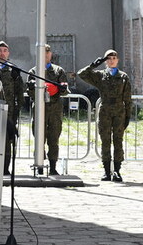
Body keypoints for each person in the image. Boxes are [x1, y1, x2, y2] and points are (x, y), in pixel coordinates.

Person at [79, 50, 133, 182]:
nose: (112, 60)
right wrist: (93, 65)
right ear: (105, 61)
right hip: (105, 111)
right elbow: (81, 74)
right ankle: (106, 171)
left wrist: (127, 116)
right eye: (108, 59)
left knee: (118, 141)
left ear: (117, 60)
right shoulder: (100, 76)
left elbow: (128, 98)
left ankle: (117, 171)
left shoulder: (123, 77)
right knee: (105, 141)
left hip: (119, 111)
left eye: (114, 58)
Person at [29, 45, 69, 176]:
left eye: (47, 52)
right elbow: (30, 93)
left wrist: (62, 89)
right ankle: (39, 166)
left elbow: (65, 92)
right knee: (39, 138)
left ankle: (53, 167)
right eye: (42, 53)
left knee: (54, 138)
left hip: (55, 110)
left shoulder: (58, 71)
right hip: (40, 110)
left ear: (51, 54)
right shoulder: (34, 71)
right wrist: (32, 89)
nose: (45, 55)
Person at [0, 41, 25, 175]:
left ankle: (5, 168)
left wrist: (16, 111)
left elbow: (19, 92)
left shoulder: (13, 70)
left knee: (6, 141)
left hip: (9, 111)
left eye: (5, 50)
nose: (2, 53)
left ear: (8, 53)